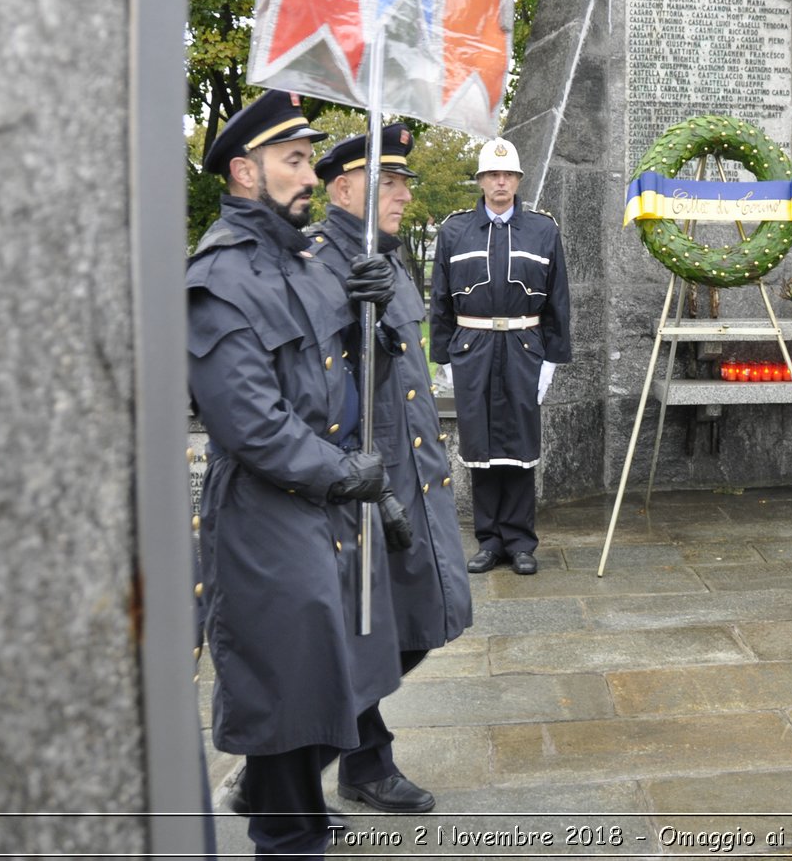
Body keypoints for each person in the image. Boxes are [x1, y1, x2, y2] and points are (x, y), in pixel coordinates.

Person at [187, 89, 405, 857]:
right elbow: (250, 424)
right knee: (286, 691)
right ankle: (286, 834)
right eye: (295, 160)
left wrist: (380, 330)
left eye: (310, 158)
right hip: (266, 519)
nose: (309, 174)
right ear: (245, 171)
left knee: (331, 681)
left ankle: (288, 804)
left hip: (326, 509)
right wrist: (347, 473)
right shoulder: (219, 277)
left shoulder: (307, 264)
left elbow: (349, 388)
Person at [304, 123, 475, 813]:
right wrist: (352, 311)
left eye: (404, 180)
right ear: (343, 187)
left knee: (428, 617)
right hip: (361, 480)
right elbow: (312, 379)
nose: (405, 192)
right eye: (390, 181)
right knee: (366, 627)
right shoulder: (318, 262)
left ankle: (315, 758)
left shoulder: (391, 259)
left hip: (413, 473)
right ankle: (351, 761)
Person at [429, 137, 571, 575]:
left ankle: (521, 541)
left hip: (523, 349)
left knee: (520, 447)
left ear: (518, 180)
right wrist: (444, 359)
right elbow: (439, 302)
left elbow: (558, 302)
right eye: (493, 174)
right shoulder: (454, 230)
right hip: (472, 350)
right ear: (481, 180)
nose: (501, 182)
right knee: (480, 448)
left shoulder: (544, 230)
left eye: (508, 174)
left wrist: (551, 360)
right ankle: (489, 540)